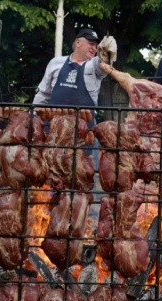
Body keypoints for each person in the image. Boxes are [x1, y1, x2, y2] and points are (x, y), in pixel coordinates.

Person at [33, 28, 117, 200]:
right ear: (78, 42)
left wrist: (107, 53)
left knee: (83, 174)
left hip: (84, 132)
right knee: (52, 170)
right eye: (91, 44)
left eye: (96, 45)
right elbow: (43, 93)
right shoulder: (56, 63)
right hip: (55, 131)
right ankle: (48, 213)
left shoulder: (94, 65)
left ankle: (86, 218)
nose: (94, 48)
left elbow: (104, 63)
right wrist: (33, 114)